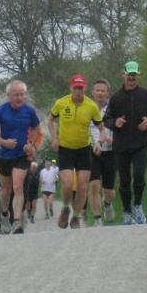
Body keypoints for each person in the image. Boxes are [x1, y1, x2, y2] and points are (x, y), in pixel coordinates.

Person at [103, 61, 147, 225]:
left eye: (134, 75)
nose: (131, 78)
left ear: (139, 76)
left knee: (139, 175)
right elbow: (106, 119)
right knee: (125, 180)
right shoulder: (116, 98)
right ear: (123, 75)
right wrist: (115, 123)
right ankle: (127, 212)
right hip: (121, 145)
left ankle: (137, 205)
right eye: (129, 75)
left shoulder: (146, 95)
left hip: (140, 143)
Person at [48, 74, 106, 229]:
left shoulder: (91, 106)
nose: (78, 91)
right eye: (75, 88)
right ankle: (65, 208)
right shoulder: (61, 103)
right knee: (67, 184)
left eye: (80, 88)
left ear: (85, 88)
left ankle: (75, 216)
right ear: (71, 88)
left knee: (82, 187)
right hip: (65, 148)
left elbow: (102, 129)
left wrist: (99, 143)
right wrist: (54, 138)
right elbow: (50, 120)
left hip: (83, 150)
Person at [0, 80, 41, 234]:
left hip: (22, 155)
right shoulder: (0, 110)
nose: (19, 98)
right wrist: (4, 142)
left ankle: (17, 221)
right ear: (8, 95)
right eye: (16, 95)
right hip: (4, 156)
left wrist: (31, 143)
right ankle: (4, 215)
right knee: (6, 190)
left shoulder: (29, 111)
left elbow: (36, 127)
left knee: (18, 186)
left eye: (22, 95)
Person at [87, 78, 117, 226]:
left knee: (109, 191)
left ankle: (107, 204)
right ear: (92, 92)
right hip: (91, 151)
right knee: (94, 185)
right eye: (97, 90)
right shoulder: (86, 108)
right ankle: (98, 219)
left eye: (103, 91)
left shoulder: (114, 108)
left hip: (110, 151)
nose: (100, 93)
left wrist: (115, 139)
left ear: (107, 93)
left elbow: (121, 127)